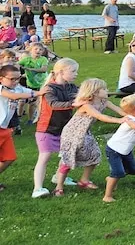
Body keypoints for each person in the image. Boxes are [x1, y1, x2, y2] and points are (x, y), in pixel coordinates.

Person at [53, 79, 125, 196]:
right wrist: (119, 121)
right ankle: (59, 186)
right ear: (95, 92)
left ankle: (84, 180)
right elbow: (100, 116)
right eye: (104, 89)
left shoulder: (104, 102)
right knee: (68, 159)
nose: (107, 90)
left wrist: (134, 116)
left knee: (94, 155)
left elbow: (120, 111)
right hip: (72, 134)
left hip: (85, 133)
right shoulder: (87, 105)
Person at [31, 58, 79, 198]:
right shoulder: (49, 89)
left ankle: (58, 176)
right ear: (60, 72)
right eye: (73, 71)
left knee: (66, 155)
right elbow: (54, 105)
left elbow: (82, 94)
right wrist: (74, 104)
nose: (76, 74)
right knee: (44, 157)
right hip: (46, 129)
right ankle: (37, 188)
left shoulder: (71, 87)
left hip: (64, 128)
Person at [0, 64, 50, 192]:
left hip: (5, 129)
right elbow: (13, 97)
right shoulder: (1, 88)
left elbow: (29, 92)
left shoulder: (18, 88)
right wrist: (39, 93)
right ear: (1, 78)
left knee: (9, 158)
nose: (16, 82)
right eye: (12, 79)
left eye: (17, 78)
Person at [18, 42, 48, 124]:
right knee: (31, 103)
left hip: (42, 84)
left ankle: (40, 117)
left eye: (40, 49)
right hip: (31, 84)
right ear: (31, 50)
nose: (38, 51)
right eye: (36, 49)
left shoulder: (43, 59)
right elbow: (16, 65)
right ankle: (30, 119)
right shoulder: (26, 59)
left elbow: (43, 69)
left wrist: (29, 69)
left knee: (38, 102)